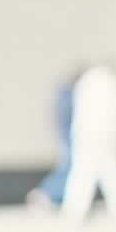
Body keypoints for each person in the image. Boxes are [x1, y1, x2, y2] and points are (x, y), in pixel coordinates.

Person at [60, 63, 116, 224]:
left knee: (83, 175)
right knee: (112, 176)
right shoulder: (110, 85)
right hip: (105, 139)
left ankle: (74, 213)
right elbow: (115, 116)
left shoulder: (87, 84)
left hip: (86, 138)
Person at [27, 66, 83, 211]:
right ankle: (44, 194)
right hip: (69, 136)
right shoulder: (69, 95)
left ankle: (50, 196)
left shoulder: (65, 93)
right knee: (67, 168)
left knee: (68, 168)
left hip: (67, 135)